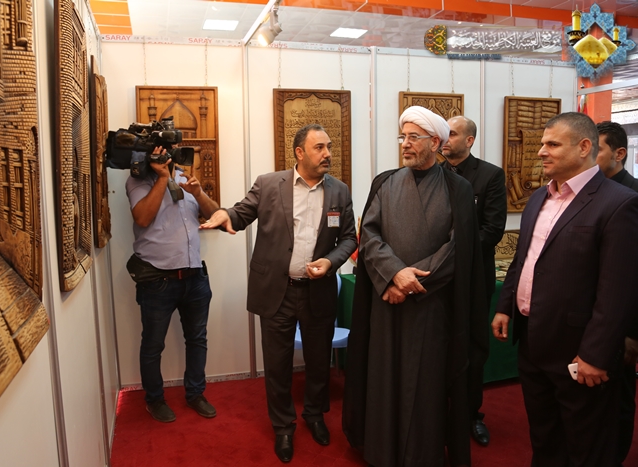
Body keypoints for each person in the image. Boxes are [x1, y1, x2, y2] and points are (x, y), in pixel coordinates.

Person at [200, 124, 356, 463]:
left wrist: (331, 262)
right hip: (277, 291)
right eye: (319, 147)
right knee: (277, 364)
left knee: (319, 361)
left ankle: (314, 415)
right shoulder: (269, 184)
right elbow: (241, 213)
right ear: (299, 152)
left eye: (329, 147)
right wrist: (225, 214)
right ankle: (283, 427)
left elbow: (349, 238)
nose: (327, 154)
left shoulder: (340, 191)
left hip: (318, 292)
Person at [342, 106, 486, 467]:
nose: (405, 144)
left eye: (413, 137)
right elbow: (369, 235)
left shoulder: (458, 188)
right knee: (384, 378)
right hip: (386, 301)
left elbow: (458, 248)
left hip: (430, 305)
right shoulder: (385, 182)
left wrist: (409, 282)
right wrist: (394, 274)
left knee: (425, 383)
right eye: (402, 137)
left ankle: (421, 454)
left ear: (435, 143)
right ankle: (381, 451)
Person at [491, 112, 638, 466]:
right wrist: (505, 305)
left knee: (587, 446)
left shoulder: (619, 203)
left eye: (552, 144)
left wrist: (596, 354)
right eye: (542, 143)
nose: (541, 151)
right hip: (533, 342)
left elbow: (617, 291)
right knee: (545, 436)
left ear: (584, 147)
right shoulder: (538, 198)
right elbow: (524, 259)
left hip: (579, 351)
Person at [126, 146, 220, 423]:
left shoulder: (184, 177)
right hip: (158, 281)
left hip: (195, 278)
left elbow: (215, 216)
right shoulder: (137, 180)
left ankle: (195, 394)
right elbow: (142, 217)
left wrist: (198, 193)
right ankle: (154, 400)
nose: (169, 156)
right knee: (153, 345)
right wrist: (161, 178)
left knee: (197, 339)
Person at [442, 115, 507, 447]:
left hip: (473, 278)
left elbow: (492, 230)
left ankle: (470, 415)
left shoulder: (490, 175)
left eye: (452, 134)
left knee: (471, 350)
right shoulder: (433, 173)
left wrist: (450, 255)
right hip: (437, 279)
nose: (445, 139)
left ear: (469, 140)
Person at [596, 120, 638, 465]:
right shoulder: (587, 193)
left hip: (623, 325)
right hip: (591, 319)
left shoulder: (633, 198)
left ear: (619, 153)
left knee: (619, 399)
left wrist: (633, 333)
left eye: (595, 150)